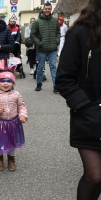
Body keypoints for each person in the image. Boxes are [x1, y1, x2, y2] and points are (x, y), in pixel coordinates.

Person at [55, 0, 101, 198]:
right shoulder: (79, 33)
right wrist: (87, 107)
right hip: (89, 116)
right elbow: (64, 80)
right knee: (95, 176)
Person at [0, 66, 27, 171]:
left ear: (13, 83)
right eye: (2, 81)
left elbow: (22, 106)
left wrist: (23, 115)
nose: (5, 83)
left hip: (14, 123)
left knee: (13, 142)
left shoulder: (16, 94)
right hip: (0, 123)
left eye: (9, 81)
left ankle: (11, 159)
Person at [30, 2, 60, 92]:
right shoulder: (37, 22)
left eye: (49, 9)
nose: (47, 10)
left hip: (52, 49)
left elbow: (58, 33)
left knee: (53, 66)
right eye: (46, 8)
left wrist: (57, 41)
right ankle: (39, 83)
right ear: (43, 9)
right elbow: (33, 35)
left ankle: (56, 85)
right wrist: (39, 43)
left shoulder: (55, 21)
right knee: (40, 67)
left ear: (51, 9)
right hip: (42, 49)